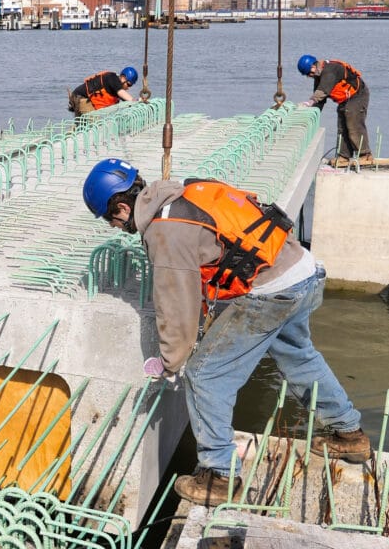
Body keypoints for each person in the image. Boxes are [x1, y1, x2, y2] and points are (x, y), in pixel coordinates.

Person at [82, 158, 371, 507]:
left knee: (205, 376)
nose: (115, 228)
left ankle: (220, 476)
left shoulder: (164, 232)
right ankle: (349, 433)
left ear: (123, 207)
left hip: (272, 290)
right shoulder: (186, 191)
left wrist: (172, 363)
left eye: (111, 220)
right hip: (302, 271)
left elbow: (176, 309)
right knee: (299, 357)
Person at [296, 55, 372, 166]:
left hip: (358, 95)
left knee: (354, 124)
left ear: (313, 66)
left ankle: (365, 155)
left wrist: (309, 102)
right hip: (345, 99)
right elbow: (319, 101)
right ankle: (344, 156)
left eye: (309, 73)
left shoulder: (330, 70)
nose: (310, 76)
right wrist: (311, 115)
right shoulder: (319, 76)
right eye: (308, 75)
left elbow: (322, 92)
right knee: (342, 126)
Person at [68, 67, 138, 118]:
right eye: (129, 84)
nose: (128, 88)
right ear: (123, 78)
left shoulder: (116, 88)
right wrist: (133, 101)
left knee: (81, 125)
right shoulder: (112, 78)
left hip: (81, 99)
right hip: (80, 98)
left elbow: (126, 99)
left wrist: (139, 101)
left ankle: (67, 137)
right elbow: (121, 92)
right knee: (94, 123)